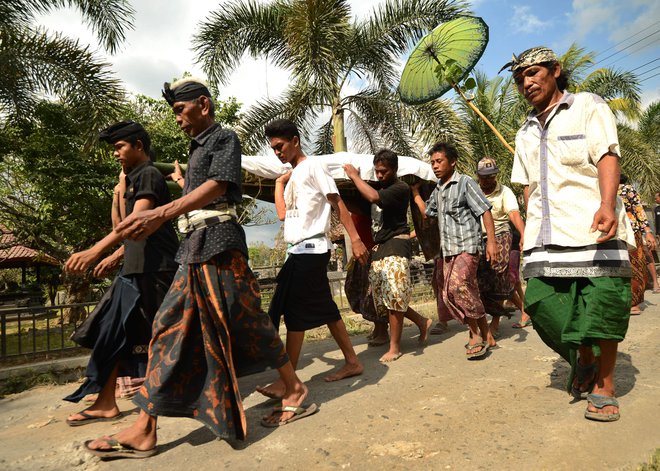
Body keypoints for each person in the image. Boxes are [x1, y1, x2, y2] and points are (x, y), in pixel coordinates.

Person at [83, 79, 314, 459]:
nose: (177, 119)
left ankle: (295, 389)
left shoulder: (225, 138)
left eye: (180, 110)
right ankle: (145, 427)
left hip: (220, 246)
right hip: (193, 250)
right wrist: (179, 186)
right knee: (168, 328)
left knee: (248, 322)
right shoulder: (195, 152)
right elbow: (199, 192)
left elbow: (218, 186)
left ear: (203, 105)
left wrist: (164, 209)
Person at [504, 46, 635, 421]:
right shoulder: (524, 131)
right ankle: (586, 358)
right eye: (519, 79)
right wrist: (528, 232)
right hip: (546, 237)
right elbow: (527, 185)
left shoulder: (588, 106)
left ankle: (605, 387)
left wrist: (608, 205)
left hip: (594, 227)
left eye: (532, 73)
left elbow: (607, 155)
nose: (526, 83)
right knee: (542, 305)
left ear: (555, 70)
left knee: (604, 307)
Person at [64, 121, 179, 426]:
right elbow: (123, 225)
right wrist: (118, 192)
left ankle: (156, 405)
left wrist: (95, 251)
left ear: (139, 145)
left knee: (163, 336)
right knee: (111, 333)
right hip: (134, 269)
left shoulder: (150, 174)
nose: (116, 154)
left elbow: (137, 221)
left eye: (119, 147)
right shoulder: (132, 179)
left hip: (156, 269)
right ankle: (105, 402)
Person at [255, 119, 368, 400]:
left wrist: (354, 238)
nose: (277, 152)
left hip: (313, 249)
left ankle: (288, 381)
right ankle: (352, 361)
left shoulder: (314, 166)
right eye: (273, 149)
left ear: (295, 140)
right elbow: (284, 215)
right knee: (325, 309)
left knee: (293, 310)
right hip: (297, 250)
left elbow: (337, 202)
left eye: (280, 146)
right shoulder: (293, 175)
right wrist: (280, 182)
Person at [343, 149, 432, 362]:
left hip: (397, 245)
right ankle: (421, 321)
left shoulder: (399, 188)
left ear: (394, 170)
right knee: (384, 300)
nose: (380, 175)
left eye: (384, 171)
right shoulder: (377, 188)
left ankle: (394, 347)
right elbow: (359, 203)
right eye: (377, 171)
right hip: (380, 247)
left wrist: (354, 175)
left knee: (393, 297)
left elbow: (373, 197)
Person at [420, 142, 497, 359]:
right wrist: (414, 192)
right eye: (433, 162)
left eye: (439, 161)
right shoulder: (438, 189)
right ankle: (486, 333)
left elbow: (485, 210)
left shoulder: (465, 183)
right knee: (457, 291)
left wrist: (491, 242)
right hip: (448, 250)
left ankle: (474, 335)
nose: (435, 166)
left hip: (467, 246)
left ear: (452, 162)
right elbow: (428, 213)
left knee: (459, 287)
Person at [474, 157, 526, 338]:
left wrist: (523, 234)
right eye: (484, 177)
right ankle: (522, 309)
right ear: (478, 176)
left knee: (497, 273)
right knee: (481, 281)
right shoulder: (473, 191)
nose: (488, 180)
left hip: (501, 236)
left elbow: (513, 213)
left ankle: (495, 320)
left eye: (491, 176)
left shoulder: (505, 192)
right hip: (478, 239)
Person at [619, 175, 656, 314]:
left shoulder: (627, 189)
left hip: (631, 232)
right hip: (612, 232)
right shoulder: (600, 188)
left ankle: (634, 302)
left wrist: (647, 231)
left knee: (635, 265)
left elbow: (638, 209)